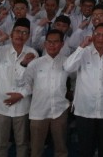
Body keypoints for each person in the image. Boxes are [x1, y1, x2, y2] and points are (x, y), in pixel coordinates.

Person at [0, 17, 37, 157]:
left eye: (24, 32)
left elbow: (31, 82)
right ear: (11, 33)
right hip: (0, 105)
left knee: (22, 143)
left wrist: (20, 95)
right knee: (1, 144)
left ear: (28, 36)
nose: (20, 35)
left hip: (22, 106)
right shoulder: (1, 50)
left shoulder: (32, 53)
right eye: (17, 31)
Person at [62, 22, 103, 157]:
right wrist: (81, 46)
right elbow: (68, 68)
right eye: (97, 34)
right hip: (85, 110)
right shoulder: (83, 52)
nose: (100, 38)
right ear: (92, 35)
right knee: (85, 149)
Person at [18, 29, 73, 157]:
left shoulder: (67, 62)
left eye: (56, 42)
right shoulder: (35, 64)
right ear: (45, 44)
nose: (52, 45)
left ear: (62, 44)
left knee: (61, 149)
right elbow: (23, 82)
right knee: (36, 150)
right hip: (39, 111)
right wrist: (23, 64)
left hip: (60, 110)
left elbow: (77, 78)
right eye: (49, 42)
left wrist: (73, 94)